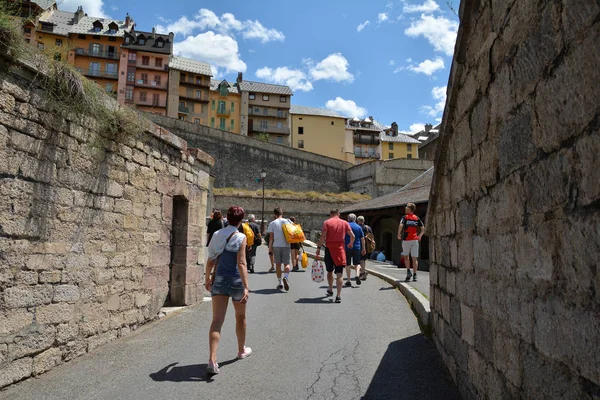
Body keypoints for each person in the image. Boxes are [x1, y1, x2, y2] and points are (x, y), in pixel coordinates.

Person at [205, 206, 252, 375]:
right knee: (240, 317)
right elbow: (241, 263)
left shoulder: (217, 235)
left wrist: (207, 279)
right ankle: (241, 350)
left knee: (217, 321)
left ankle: (212, 359)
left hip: (218, 279)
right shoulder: (241, 237)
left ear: (226, 218)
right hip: (235, 281)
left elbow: (210, 260)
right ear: (241, 220)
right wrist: (246, 286)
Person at [315, 209, 355, 303]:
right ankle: (338, 295)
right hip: (340, 250)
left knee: (329, 271)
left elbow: (323, 236)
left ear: (330, 214)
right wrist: (350, 243)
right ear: (338, 214)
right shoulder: (344, 223)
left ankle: (330, 289)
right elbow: (352, 236)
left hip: (329, 249)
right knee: (339, 273)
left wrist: (318, 247)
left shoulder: (327, 222)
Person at [397, 202, 425, 282]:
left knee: (406, 256)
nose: (405, 208)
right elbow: (423, 228)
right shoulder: (417, 218)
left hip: (406, 240)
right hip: (415, 240)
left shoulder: (404, 217)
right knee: (414, 258)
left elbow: (401, 225)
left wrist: (399, 233)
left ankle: (408, 271)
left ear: (410, 209)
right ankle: (415, 274)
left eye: (406, 207)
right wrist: (420, 236)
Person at [267, 207, 292, 291]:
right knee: (287, 264)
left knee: (278, 264)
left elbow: (271, 237)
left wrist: (270, 248)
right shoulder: (288, 221)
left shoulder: (273, 223)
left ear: (275, 214)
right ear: (282, 213)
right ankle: (286, 277)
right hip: (286, 245)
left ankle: (280, 282)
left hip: (277, 245)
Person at [344, 214, 365, 287]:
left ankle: (348, 280)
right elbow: (362, 239)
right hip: (357, 247)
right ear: (355, 219)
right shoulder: (359, 227)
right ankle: (357, 275)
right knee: (357, 263)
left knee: (347, 264)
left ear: (348, 219)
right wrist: (363, 248)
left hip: (347, 247)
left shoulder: (346, 226)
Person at [356, 216, 372, 280]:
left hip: (360, 245)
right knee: (363, 259)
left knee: (361, 259)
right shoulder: (368, 227)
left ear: (358, 221)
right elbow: (371, 236)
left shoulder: (359, 228)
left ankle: (362, 272)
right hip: (367, 245)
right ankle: (363, 271)